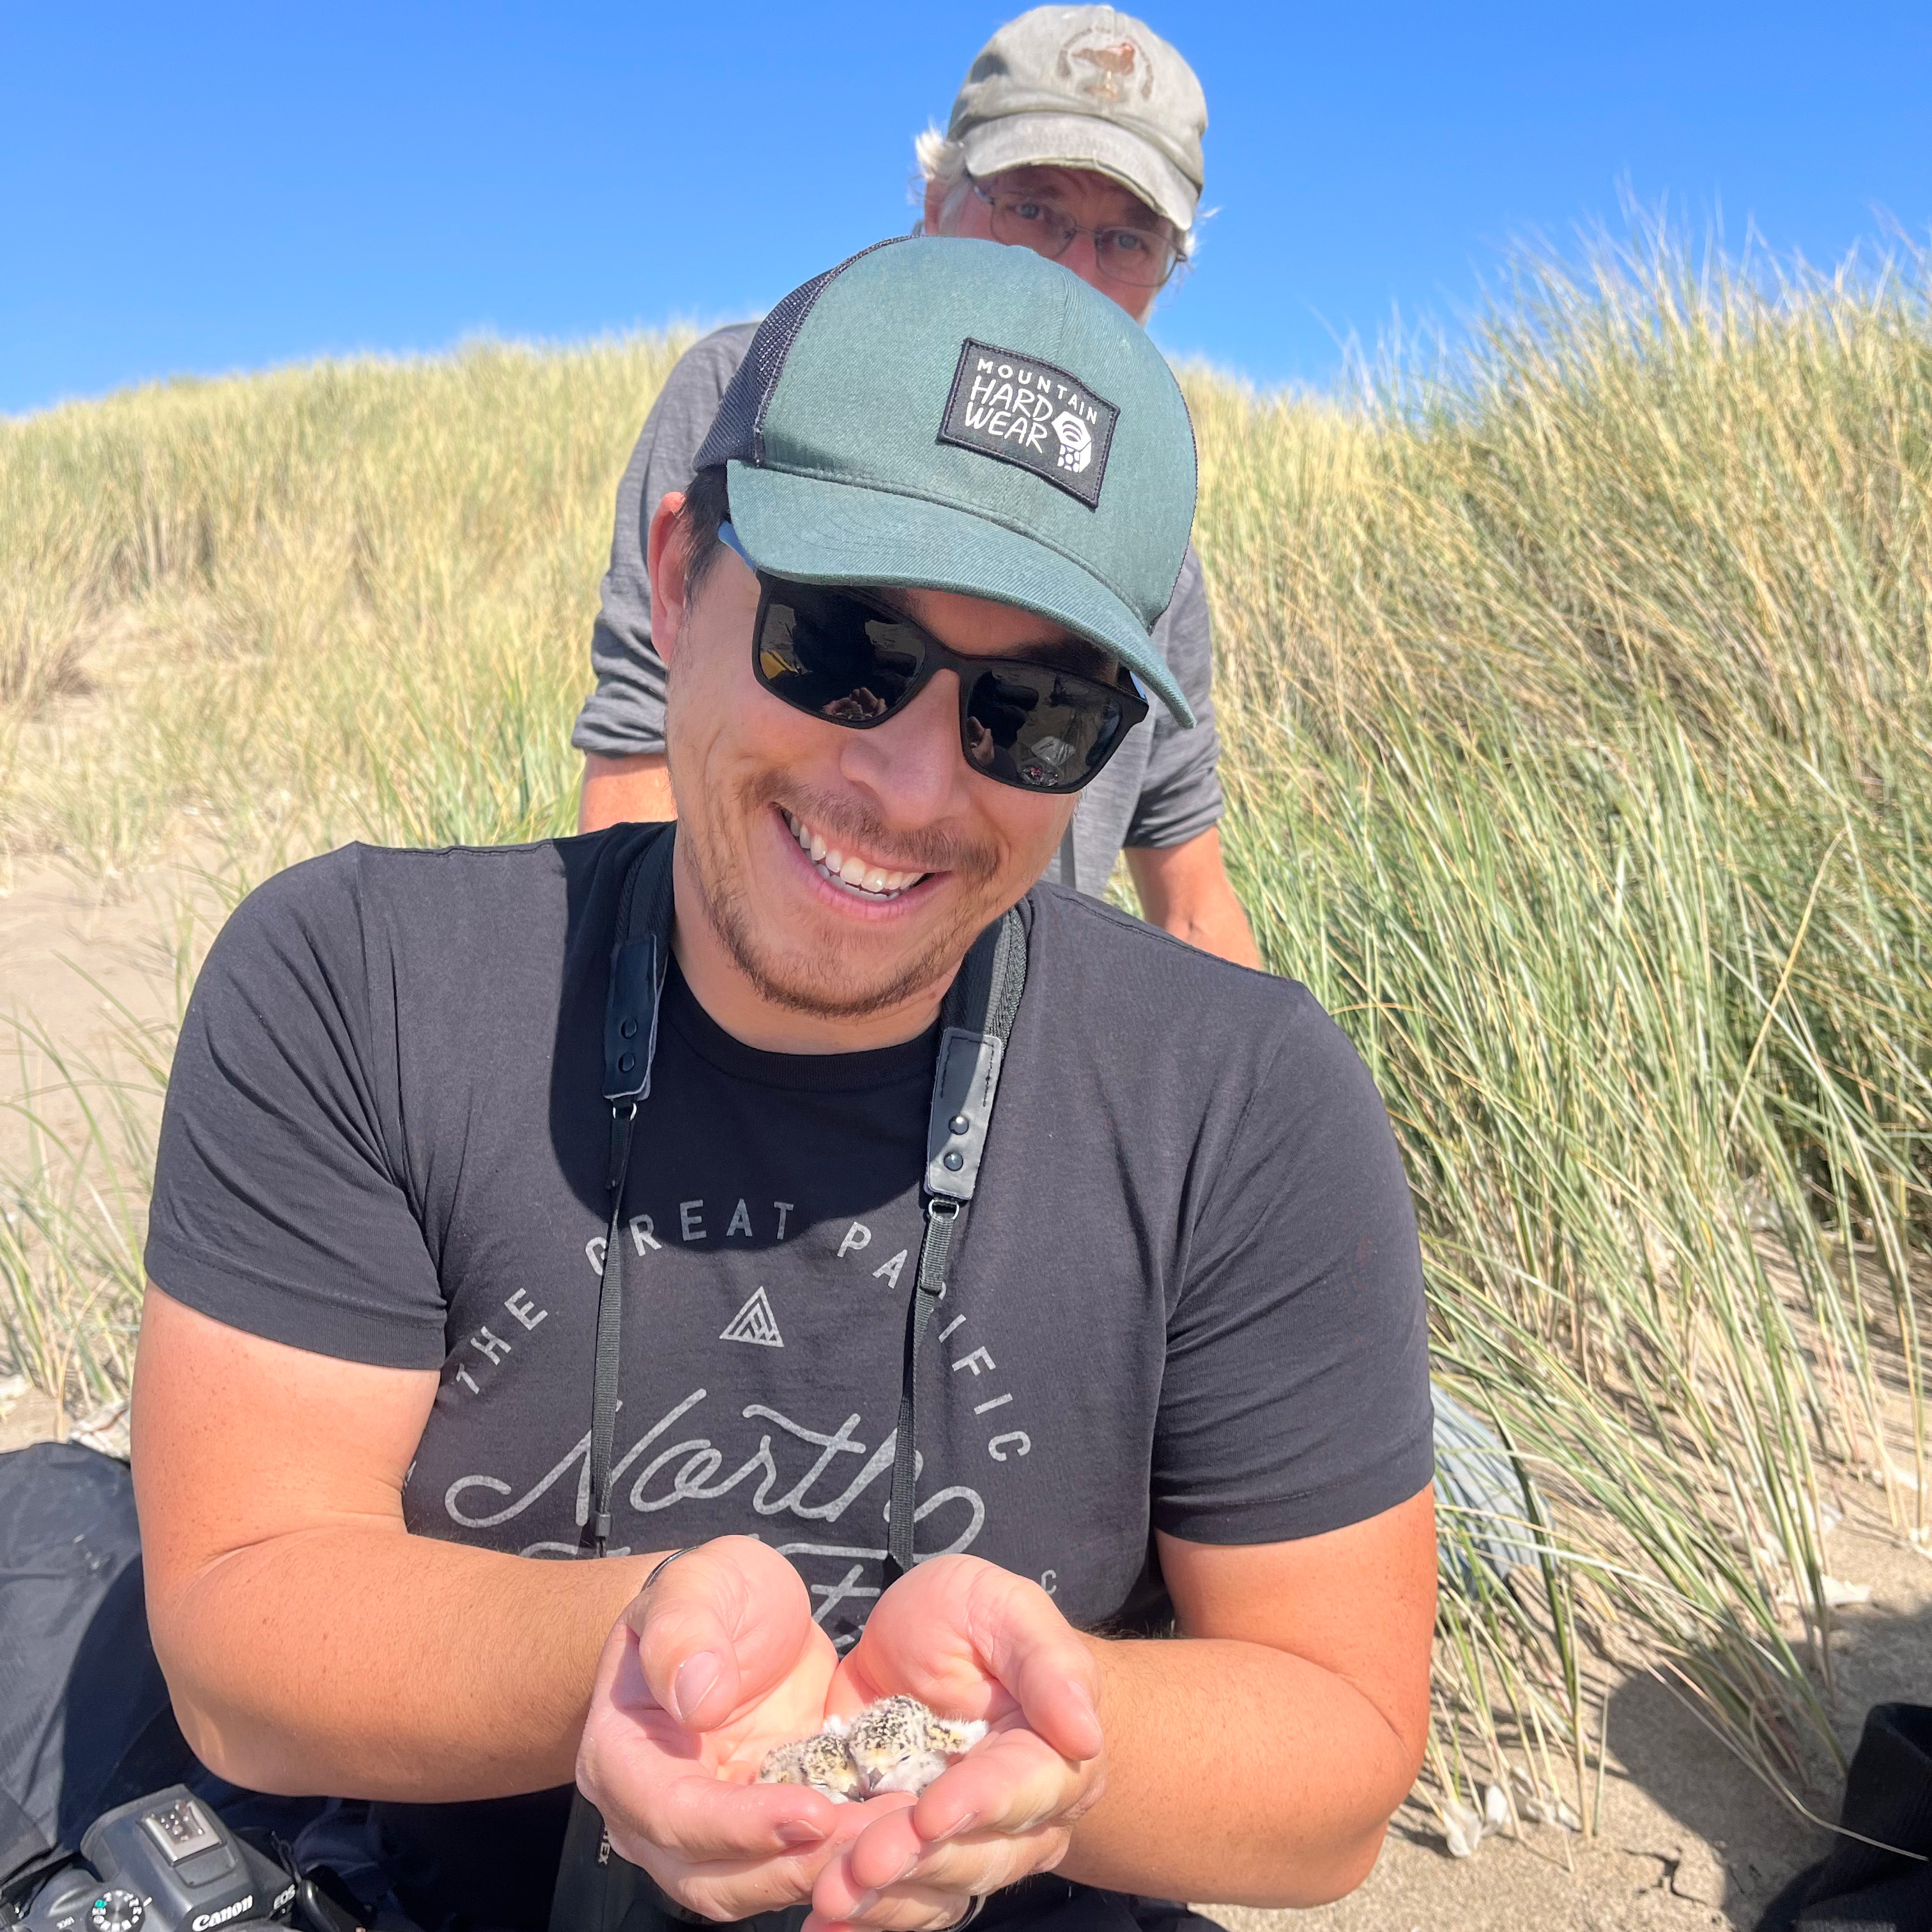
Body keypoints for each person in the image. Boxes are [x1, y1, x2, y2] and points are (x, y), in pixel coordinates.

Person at [133, 238, 1435, 1932]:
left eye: (1032, 713)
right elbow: (242, 1622)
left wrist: (1036, 1754)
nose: (906, 778)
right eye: (842, 643)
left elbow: (1334, 1759)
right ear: (678, 585)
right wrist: (618, 1659)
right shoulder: (359, 982)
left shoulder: (1247, 1103)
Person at [574, 4, 1261, 970]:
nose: (1071, 270)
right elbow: (637, 767)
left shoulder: (1156, 566)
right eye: (1032, 207)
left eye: (1126, 241)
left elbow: (1192, 906)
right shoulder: (754, 401)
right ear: (936, 195)